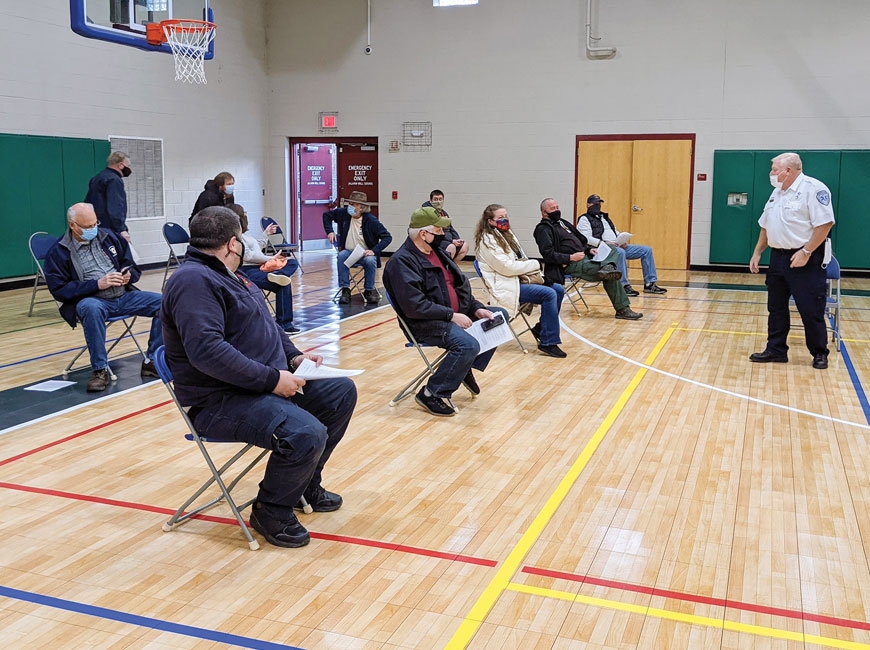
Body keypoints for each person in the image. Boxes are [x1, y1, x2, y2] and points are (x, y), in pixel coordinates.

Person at [161, 206, 357, 548]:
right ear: (233, 243)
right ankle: (271, 510)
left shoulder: (229, 274)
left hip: (257, 385)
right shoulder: (193, 280)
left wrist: (294, 357)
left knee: (339, 392)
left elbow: (268, 325)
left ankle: (303, 485)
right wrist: (272, 380)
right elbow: (207, 352)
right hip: (220, 400)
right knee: (305, 431)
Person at [383, 206, 507, 417]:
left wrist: (476, 309)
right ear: (424, 234)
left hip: (453, 314)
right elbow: (415, 306)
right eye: (439, 231)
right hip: (426, 323)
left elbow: (459, 288)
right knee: (467, 344)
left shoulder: (438, 253)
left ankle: (461, 366)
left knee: (500, 316)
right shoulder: (401, 262)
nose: (444, 235)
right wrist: (451, 316)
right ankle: (432, 393)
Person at [43, 203, 163, 392]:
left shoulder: (109, 237)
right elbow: (59, 289)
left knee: (164, 303)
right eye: (88, 226)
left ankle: (153, 360)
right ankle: (100, 370)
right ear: (73, 225)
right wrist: (97, 284)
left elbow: (129, 263)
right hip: (94, 301)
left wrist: (128, 273)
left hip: (123, 296)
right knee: (91, 308)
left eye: (95, 223)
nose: (93, 229)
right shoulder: (59, 252)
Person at [749, 152, 835, 369]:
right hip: (778, 257)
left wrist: (806, 252)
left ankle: (819, 352)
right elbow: (766, 225)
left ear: (788, 170)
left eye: (774, 169)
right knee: (776, 307)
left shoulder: (814, 189)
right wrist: (758, 252)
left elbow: (825, 225)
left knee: (810, 308)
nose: (771, 173)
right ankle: (776, 349)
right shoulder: (777, 193)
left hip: (806, 258)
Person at [474, 204, 568, 358]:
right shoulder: (487, 240)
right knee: (549, 294)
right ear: (490, 221)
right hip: (505, 284)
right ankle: (548, 342)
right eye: (500, 217)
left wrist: (540, 276)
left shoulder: (506, 233)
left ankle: (540, 329)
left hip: (518, 279)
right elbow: (507, 268)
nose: (505, 219)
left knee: (558, 289)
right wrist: (536, 264)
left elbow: (520, 259)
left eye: (506, 216)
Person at [534, 198, 643, 320]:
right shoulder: (543, 229)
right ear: (544, 212)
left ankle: (607, 267)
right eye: (552, 209)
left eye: (557, 207)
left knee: (613, 249)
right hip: (570, 264)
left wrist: (588, 249)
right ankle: (623, 309)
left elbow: (579, 240)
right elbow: (548, 254)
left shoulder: (562, 223)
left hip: (585, 256)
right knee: (611, 274)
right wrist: (570, 257)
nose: (557, 210)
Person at [229, 204, 300, 334]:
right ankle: (285, 324)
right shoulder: (234, 238)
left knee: (291, 264)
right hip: (245, 271)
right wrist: (271, 258)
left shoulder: (244, 236)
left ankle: (280, 274)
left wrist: (265, 234)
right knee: (282, 284)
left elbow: (256, 248)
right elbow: (249, 256)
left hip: (260, 266)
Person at [577, 194, 667, 296]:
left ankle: (650, 283)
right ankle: (623, 285)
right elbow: (586, 238)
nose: (597, 205)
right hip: (601, 249)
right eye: (595, 203)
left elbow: (614, 231)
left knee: (646, 250)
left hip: (616, 245)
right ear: (588, 204)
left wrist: (621, 238)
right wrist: (603, 242)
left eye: (599, 203)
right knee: (620, 252)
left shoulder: (604, 217)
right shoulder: (584, 219)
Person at [322, 191, 392, 305]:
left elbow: (387, 237)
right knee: (341, 256)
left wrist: (374, 251)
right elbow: (326, 215)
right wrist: (330, 231)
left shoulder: (371, 220)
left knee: (370, 261)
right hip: (348, 251)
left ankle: (368, 290)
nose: (350, 206)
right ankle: (345, 290)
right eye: (350, 203)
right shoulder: (343, 214)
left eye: (353, 204)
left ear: (361, 207)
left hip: (365, 253)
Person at [84, 151, 132, 242]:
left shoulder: (97, 178)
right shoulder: (114, 180)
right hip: (110, 229)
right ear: (121, 165)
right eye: (128, 165)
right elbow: (116, 206)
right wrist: (121, 229)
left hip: (96, 227)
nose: (128, 168)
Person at [422, 189, 468, 261]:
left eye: (440, 199)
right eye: (435, 199)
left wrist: (457, 239)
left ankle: (451, 268)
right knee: (451, 247)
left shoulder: (444, 213)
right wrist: (452, 241)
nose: (438, 202)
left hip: (448, 240)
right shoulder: (428, 213)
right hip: (436, 241)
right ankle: (444, 269)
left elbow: (451, 229)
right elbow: (437, 233)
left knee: (465, 246)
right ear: (431, 201)